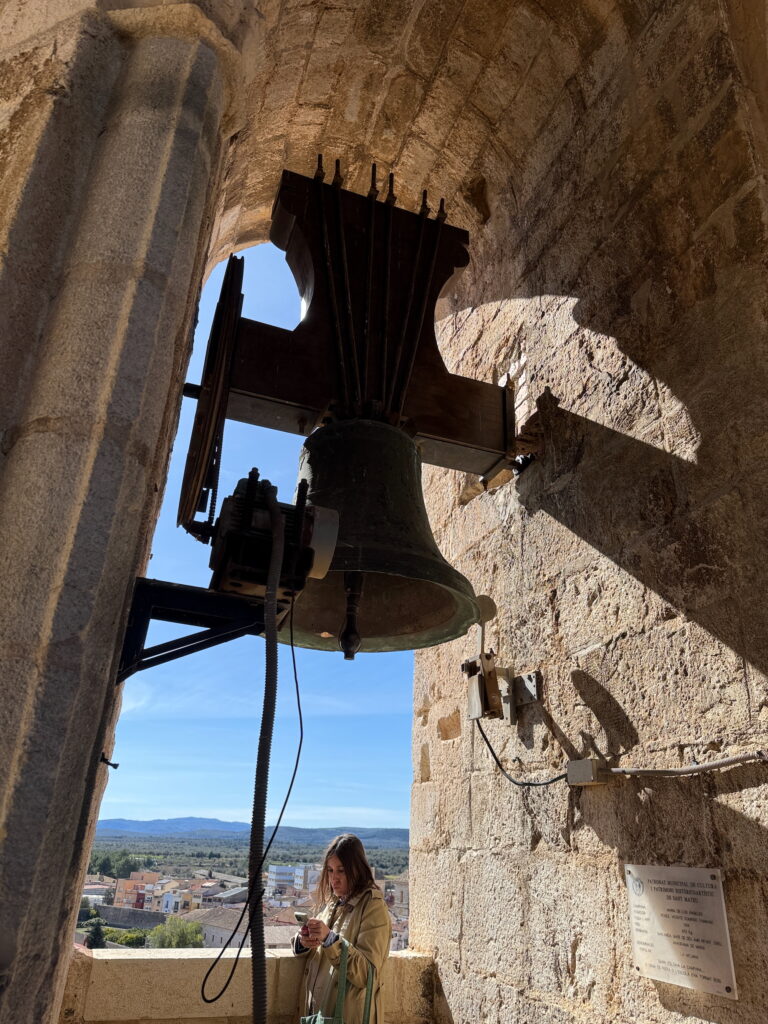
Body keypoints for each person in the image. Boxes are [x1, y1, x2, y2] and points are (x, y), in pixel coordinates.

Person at [292, 833, 391, 1024]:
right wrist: (304, 941)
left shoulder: (373, 906)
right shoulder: (333, 902)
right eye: (329, 870)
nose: (333, 879)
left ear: (357, 870)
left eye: (341, 871)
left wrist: (330, 939)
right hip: (319, 1014)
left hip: (347, 1015)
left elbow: (366, 973)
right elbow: (320, 946)